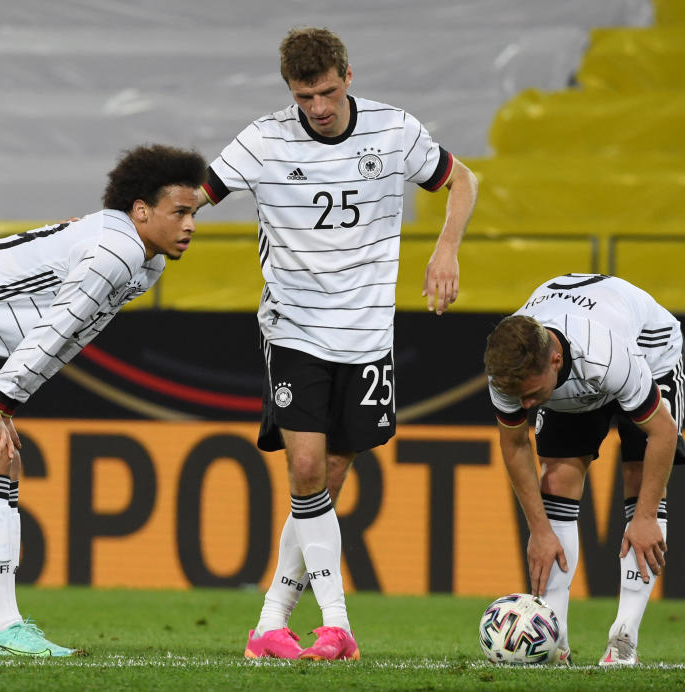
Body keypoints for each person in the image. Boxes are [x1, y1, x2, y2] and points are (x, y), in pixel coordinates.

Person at [197, 27, 478, 660]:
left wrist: (446, 248)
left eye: (325, 92)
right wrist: (123, 220)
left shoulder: (395, 130)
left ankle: (270, 623)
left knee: (323, 482)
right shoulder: (265, 139)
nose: (317, 109)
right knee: (303, 470)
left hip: (368, 336)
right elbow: (195, 194)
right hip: (294, 328)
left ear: (348, 76)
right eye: (303, 97)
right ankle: (339, 625)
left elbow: (465, 182)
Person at [0, 145, 205, 657]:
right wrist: (3, 402)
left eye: (194, 214)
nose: (190, 225)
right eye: (180, 212)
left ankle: (4, 622)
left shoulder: (141, 261)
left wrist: (7, 401)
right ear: (140, 211)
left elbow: (71, 335)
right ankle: (1, 630)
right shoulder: (117, 254)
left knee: (3, 461)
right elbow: (59, 328)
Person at [483, 273, 685, 666]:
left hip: (649, 350)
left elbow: (661, 434)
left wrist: (645, 517)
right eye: (517, 396)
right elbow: (514, 444)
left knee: (638, 477)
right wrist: (538, 529)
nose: (525, 406)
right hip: (577, 366)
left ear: (555, 360)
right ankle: (553, 637)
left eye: (530, 394)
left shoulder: (605, 356)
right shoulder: (507, 372)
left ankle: (623, 638)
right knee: (557, 478)